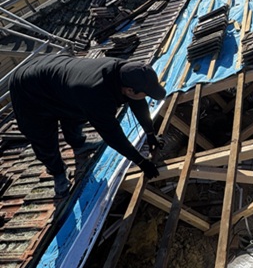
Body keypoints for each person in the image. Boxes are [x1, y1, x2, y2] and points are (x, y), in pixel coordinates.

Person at [9, 53, 166, 197]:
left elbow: (138, 102)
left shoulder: (127, 72)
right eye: (146, 93)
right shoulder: (96, 94)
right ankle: (57, 171)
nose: (145, 97)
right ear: (129, 90)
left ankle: (77, 143)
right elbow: (112, 135)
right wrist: (141, 162)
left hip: (57, 75)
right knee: (41, 134)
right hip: (28, 86)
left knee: (76, 111)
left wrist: (150, 133)